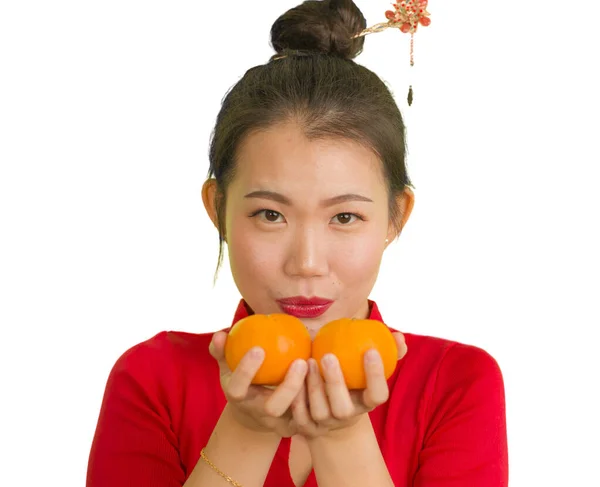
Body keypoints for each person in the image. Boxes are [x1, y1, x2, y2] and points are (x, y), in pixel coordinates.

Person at [86, 0, 508, 486]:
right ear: (217, 208)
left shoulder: (455, 384)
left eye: (345, 216)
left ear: (396, 216)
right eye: (270, 214)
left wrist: (343, 434)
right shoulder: (151, 380)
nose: (307, 264)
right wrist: (245, 429)